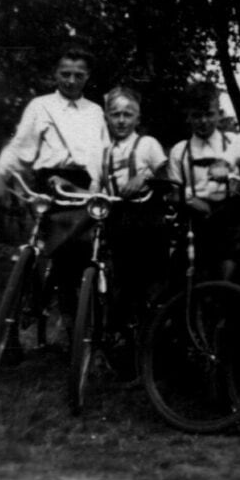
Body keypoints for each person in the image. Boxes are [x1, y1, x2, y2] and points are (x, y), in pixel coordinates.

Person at [0, 44, 110, 318]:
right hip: (48, 185)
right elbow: (21, 146)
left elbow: (102, 154)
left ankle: (74, 327)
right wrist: (0, 172)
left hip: (82, 187)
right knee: (39, 250)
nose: (70, 80)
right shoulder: (41, 105)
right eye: (65, 73)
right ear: (55, 73)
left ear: (87, 77)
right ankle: (25, 311)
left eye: (78, 75)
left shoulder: (94, 112)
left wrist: (98, 187)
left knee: (77, 257)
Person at [102, 87, 168, 341]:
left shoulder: (147, 144)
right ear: (107, 117)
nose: (121, 120)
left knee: (150, 284)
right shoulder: (104, 151)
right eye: (115, 114)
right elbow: (95, 188)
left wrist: (145, 177)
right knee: (121, 283)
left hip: (147, 221)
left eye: (127, 115)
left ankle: (152, 343)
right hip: (117, 220)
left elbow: (166, 174)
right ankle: (124, 341)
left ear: (137, 119)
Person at [167, 82, 240, 282]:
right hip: (195, 217)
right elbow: (174, 192)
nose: (203, 121)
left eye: (209, 114)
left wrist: (237, 183)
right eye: (196, 115)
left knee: (235, 258)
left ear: (219, 113)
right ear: (188, 116)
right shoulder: (180, 151)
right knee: (182, 270)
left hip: (229, 218)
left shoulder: (233, 143)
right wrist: (191, 201)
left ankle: (225, 296)